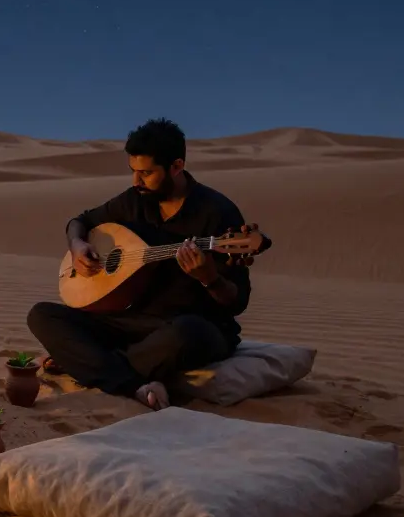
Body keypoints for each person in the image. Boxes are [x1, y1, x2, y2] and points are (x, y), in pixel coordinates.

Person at [26, 117, 252, 411]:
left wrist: (209, 279)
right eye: (133, 171)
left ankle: (96, 366)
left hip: (187, 326)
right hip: (129, 320)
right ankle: (133, 380)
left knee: (188, 333)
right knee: (42, 315)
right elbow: (79, 222)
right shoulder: (135, 201)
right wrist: (78, 245)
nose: (136, 181)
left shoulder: (218, 213)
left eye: (146, 173)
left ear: (177, 166)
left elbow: (237, 302)